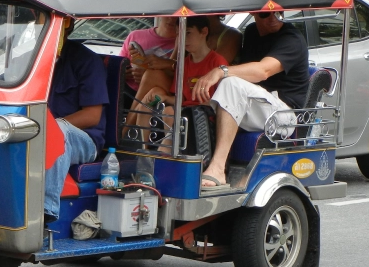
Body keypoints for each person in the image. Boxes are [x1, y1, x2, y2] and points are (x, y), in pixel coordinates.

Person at [191, 11, 309, 189]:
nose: (273, 18)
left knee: (230, 83)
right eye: (265, 14)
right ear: (254, 13)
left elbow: (263, 71)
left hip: (283, 114)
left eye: (279, 13)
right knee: (198, 103)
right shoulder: (252, 32)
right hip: (256, 105)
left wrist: (220, 71)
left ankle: (218, 167)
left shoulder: (292, 38)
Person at [45, 18, 109, 222]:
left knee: (58, 133)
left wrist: (52, 126)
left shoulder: (87, 61)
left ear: (66, 26)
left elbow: (92, 116)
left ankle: (46, 212)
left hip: (84, 140)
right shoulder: (29, 59)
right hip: (38, 132)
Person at [129, 16, 228, 145]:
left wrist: (167, 99)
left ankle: (169, 149)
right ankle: (142, 150)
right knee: (148, 103)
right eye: (179, 34)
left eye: (188, 33)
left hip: (206, 115)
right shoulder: (184, 63)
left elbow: (221, 103)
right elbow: (181, 98)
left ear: (204, 32)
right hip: (185, 111)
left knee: (169, 111)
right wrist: (163, 97)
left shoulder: (217, 63)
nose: (183, 39)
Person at [119, 16, 178, 91]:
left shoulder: (187, 44)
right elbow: (119, 65)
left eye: (177, 17)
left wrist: (147, 77)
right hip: (127, 91)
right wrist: (124, 72)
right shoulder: (135, 35)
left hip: (159, 95)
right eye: (169, 14)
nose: (171, 19)